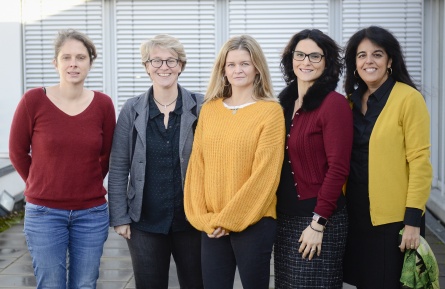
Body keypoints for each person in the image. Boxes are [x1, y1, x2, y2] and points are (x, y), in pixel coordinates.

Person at [9, 29, 115, 289]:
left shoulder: (103, 104)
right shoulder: (33, 100)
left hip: (91, 214)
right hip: (44, 213)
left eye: (80, 57)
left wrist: (84, 181)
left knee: (85, 284)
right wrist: (40, 182)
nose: (73, 64)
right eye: (66, 57)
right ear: (55, 62)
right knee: (51, 285)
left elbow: (107, 155)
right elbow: (17, 152)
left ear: (90, 62)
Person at [183, 34, 285, 289]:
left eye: (245, 64)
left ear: (257, 68)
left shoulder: (271, 111)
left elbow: (266, 175)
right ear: (223, 70)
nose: (237, 70)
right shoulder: (210, 109)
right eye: (232, 64)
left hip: (254, 222)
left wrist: (229, 219)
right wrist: (204, 219)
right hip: (213, 225)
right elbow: (197, 168)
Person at [107, 34, 204, 289]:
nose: (164, 67)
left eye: (171, 60)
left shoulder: (201, 105)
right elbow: (118, 165)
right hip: (145, 223)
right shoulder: (132, 109)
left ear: (181, 65)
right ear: (147, 67)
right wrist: (119, 217)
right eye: (156, 61)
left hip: (192, 221)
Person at [342, 26, 433, 289]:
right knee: (364, 282)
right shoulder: (350, 102)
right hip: (355, 213)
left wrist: (413, 221)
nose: (368, 61)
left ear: (390, 60)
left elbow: (420, 162)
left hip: (392, 220)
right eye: (361, 55)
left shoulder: (408, 98)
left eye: (377, 54)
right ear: (355, 63)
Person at [273, 29, 353, 289]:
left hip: (319, 220)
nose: (306, 61)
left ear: (327, 62)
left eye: (315, 56)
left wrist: (318, 224)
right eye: (300, 55)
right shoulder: (283, 105)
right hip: (285, 219)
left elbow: (338, 168)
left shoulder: (334, 104)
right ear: (291, 59)